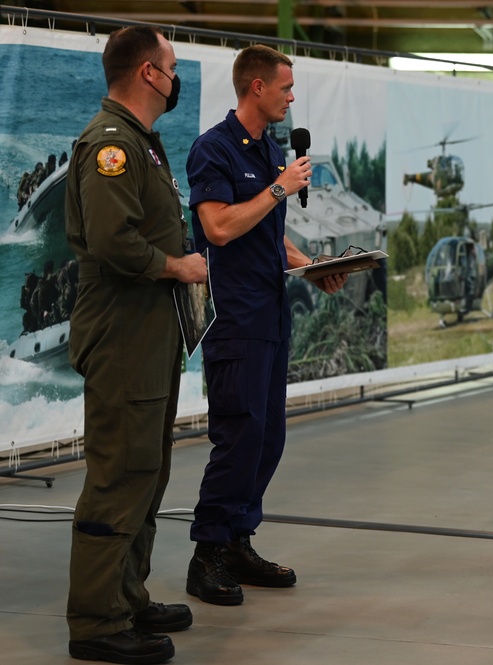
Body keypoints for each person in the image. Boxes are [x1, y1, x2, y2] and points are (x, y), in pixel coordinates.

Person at [64, 26, 208, 664]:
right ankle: (96, 624)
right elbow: (111, 239)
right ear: (149, 73)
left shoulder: (143, 144)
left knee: (148, 472)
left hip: (149, 333)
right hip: (123, 335)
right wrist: (177, 267)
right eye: (172, 66)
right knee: (119, 474)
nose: (176, 78)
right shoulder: (112, 146)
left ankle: (127, 595)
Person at [185, 44, 347, 606]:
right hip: (235, 317)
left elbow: (268, 234)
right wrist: (279, 187)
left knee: (269, 436)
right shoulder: (215, 150)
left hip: (271, 311)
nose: (292, 96)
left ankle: (237, 540)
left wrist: (313, 268)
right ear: (256, 87)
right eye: (285, 87)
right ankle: (206, 552)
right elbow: (221, 228)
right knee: (239, 434)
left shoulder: (271, 148)